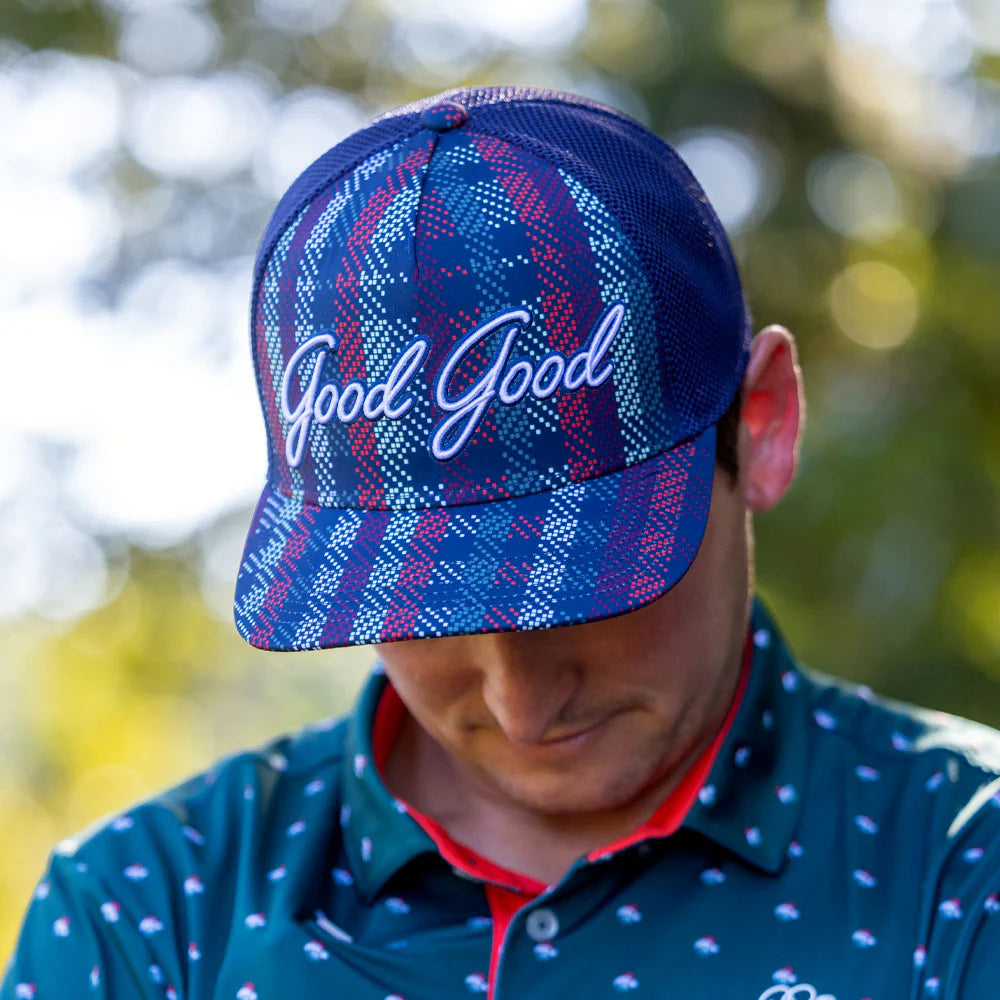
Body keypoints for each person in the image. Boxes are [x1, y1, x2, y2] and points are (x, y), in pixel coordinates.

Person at [3, 86, 999, 1000]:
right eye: (423, 607)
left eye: (592, 590)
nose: (520, 704)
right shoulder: (141, 914)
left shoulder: (965, 868)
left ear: (764, 424)